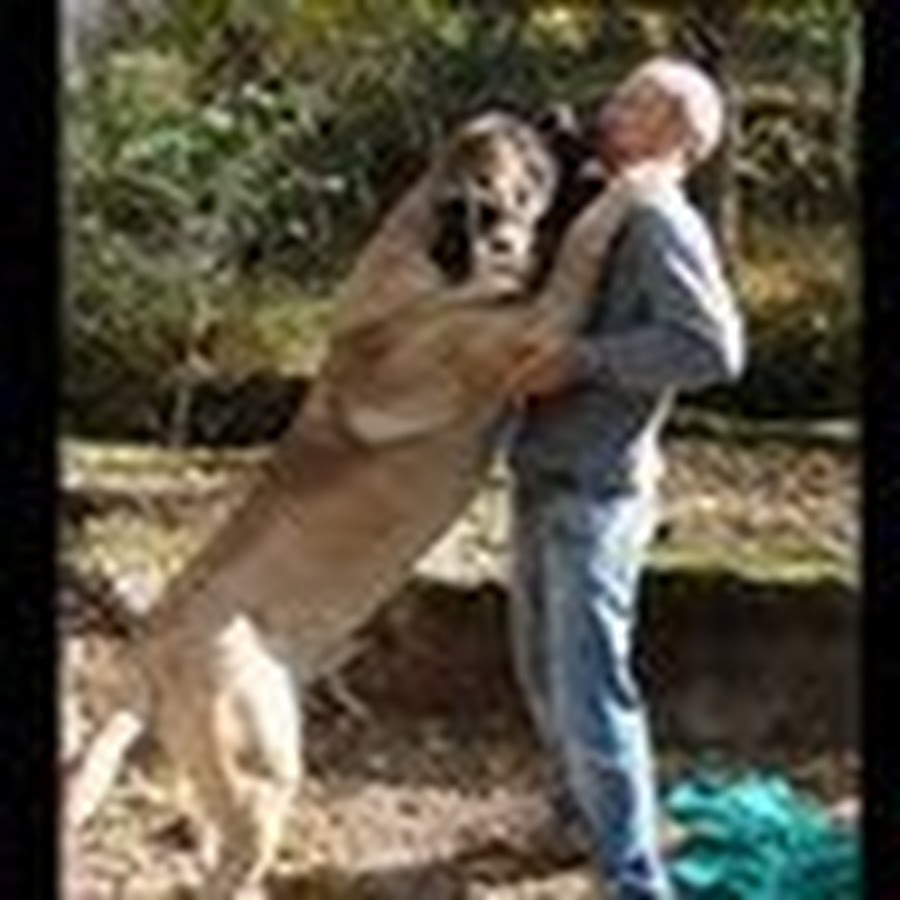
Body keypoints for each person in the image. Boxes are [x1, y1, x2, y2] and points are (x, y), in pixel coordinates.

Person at [502, 57, 746, 899]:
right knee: (542, 672)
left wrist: (581, 361)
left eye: (634, 103)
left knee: (589, 691)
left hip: (596, 489)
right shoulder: (611, 207)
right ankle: (578, 822)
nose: (610, 110)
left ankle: (634, 879)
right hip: (545, 472)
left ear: (679, 131)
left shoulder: (659, 220)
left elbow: (713, 349)